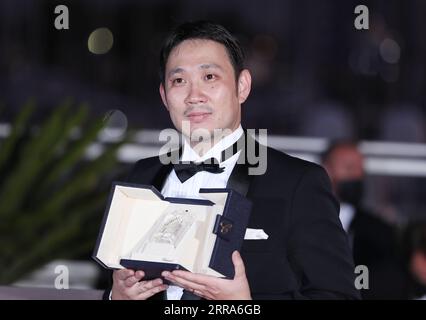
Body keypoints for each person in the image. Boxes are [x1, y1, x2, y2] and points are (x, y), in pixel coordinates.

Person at [106, 21, 359, 300]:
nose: (194, 96)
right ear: (165, 97)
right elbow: (113, 284)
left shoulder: (298, 183)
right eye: (179, 81)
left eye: (210, 77)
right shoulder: (141, 176)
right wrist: (117, 297)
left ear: (242, 86)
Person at [322, 141, 405, 299]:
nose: (357, 176)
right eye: (349, 168)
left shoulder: (381, 231)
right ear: (325, 169)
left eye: (361, 170)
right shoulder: (299, 218)